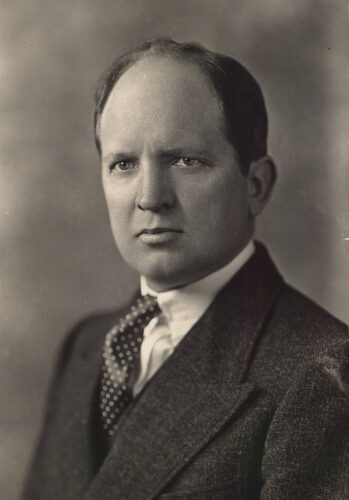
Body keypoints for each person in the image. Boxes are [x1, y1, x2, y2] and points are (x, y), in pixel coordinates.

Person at [23, 38, 348, 500]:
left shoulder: (322, 371)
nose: (150, 196)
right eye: (123, 164)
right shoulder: (87, 345)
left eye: (185, 160)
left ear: (255, 185)